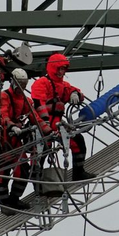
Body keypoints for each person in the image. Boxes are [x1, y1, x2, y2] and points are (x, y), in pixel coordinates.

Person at [31, 53, 88, 182]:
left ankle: (78, 173)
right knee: (40, 154)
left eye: (63, 69)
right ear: (53, 68)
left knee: (78, 141)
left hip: (57, 124)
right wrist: (46, 125)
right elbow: (39, 104)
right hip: (43, 126)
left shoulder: (63, 85)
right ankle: (37, 183)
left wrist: (75, 94)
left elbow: (75, 91)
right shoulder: (41, 83)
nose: (61, 72)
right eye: (59, 68)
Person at [0, 68, 34, 210]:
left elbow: (35, 116)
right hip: (3, 141)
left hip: (16, 142)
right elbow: (2, 115)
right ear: (14, 82)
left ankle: (14, 199)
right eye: (20, 83)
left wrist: (47, 129)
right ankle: (4, 203)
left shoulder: (26, 101)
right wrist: (12, 126)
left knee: (23, 169)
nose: (23, 86)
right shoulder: (3, 97)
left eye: (24, 83)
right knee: (2, 172)